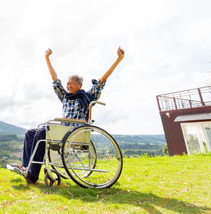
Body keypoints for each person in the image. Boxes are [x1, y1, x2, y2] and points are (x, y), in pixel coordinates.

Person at [8, 47, 125, 184]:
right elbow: (55, 79)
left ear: (80, 85)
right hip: (61, 131)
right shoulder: (65, 97)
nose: (68, 86)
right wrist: (47, 58)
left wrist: (118, 59)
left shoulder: (87, 97)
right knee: (29, 133)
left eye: (72, 84)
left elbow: (102, 80)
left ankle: (32, 175)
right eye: (68, 83)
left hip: (74, 132)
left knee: (41, 132)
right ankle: (25, 167)